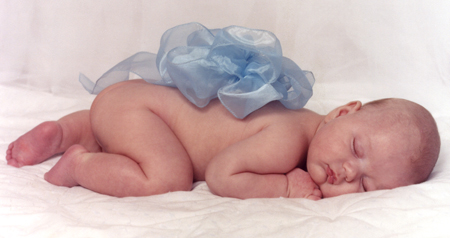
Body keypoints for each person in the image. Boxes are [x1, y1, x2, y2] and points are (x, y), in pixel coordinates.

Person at [5, 79, 440, 200]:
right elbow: (221, 175)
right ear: (343, 111)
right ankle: (79, 163)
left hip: (132, 101)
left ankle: (66, 130)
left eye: (364, 184)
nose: (347, 172)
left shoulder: (306, 125)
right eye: (357, 150)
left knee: (121, 128)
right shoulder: (288, 138)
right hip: (142, 111)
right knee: (168, 176)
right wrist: (285, 186)